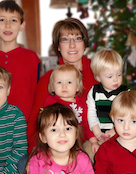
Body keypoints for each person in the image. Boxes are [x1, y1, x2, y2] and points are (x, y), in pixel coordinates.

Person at [27, 17, 98, 154]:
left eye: (77, 38)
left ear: (84, 43)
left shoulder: (98, 74)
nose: (72, 45)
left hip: (91, 140)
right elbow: (35, 122)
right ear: (58, 46)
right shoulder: (48, 79)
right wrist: (36, 153)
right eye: (65, 39)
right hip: (55, 145)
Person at [14, 103, 96, 174]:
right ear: (43, 137)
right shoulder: (37, 159)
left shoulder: (82, 160)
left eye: (68, 128)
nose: (62, 134)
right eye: (54, 130)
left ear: (76, 133)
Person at [0, 0, 41, 121]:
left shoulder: (32, 57)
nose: (8, 25)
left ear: (22, 25)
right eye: (2, 20)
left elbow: (37, 94)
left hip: (25, 124)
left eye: (13, 20)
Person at [43, 64, 98, 155]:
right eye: (59, 82)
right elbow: (46, 125)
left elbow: (86, 123)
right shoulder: (51, 102)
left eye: (69, 82)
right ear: (52, 87)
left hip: (79, 143)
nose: (64, 86)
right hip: (59, 142)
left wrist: (93, 141)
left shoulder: (83, 103)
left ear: (77, 87)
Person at [87, 49, 128, 143]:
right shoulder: (94, 92)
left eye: (119, 74)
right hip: (99, 132)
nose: (115, 79)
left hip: (121, 132)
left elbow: (128, 115)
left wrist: (115, 131)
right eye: (110, 76)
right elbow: (91, 114)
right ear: (98, 77)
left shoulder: (125, 93)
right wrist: (97, 132)